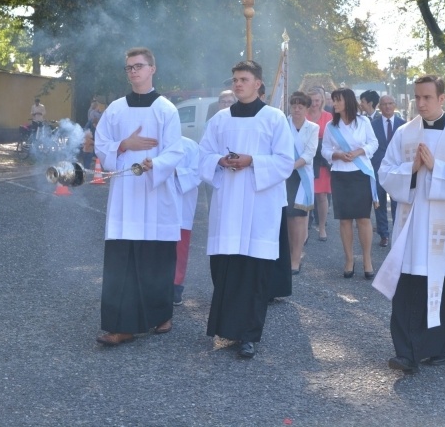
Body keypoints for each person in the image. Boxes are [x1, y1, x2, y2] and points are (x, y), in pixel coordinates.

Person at [374, 75, 445, 374]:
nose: (420, 104)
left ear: (442, 99)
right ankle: (407, 352)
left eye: (427, 97)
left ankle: (440, 346)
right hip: (414, 223)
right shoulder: (405, 133)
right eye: (417, 97)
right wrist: (411, 169)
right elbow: (385, 173)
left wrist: (438, 168)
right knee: (412, 284)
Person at [198, 60, 294, 359]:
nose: (238, 84)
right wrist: (220, 160)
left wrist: (252, 161)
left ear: (258, 84)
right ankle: (226, 329)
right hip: (227, 204)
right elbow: (202, 154)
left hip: (258, 205)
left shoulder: (274, 118)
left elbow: (285, 161)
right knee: (225, 268)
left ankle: (248, 336)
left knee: (254, 273)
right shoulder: (220, 119)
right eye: (235, 79)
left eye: (244, 79)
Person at [93, 47, 185, 346]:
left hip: (154, 193)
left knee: (156, 258)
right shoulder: (115, 108)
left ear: (152, 69)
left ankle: (161, 315)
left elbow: (175, 150)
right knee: (122, 261)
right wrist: (123, 145)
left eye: (139, 66)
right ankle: (122, 326)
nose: (133, 71)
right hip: (125, 196)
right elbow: (101, 143)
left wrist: (155, 164)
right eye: (129, 67)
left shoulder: (166, 109)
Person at [322, 88, 379, 279]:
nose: (334, 104)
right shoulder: (331, 126)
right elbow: (325, 149)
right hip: (340, 175)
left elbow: (373, 143)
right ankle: (349, 260)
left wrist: (359, 152)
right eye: (333, 100)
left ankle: (367, 260)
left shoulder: (363, 122)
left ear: (347, 101)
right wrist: (337, 155)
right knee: (345, 219)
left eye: (337, 100)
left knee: (363, 218)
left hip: (361, 173)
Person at [285, 91, 319, 274]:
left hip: (301, 176)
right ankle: (287, 254)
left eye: (300, 106)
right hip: (283, 177)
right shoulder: (283, 124)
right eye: (294, 106)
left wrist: (291, 166)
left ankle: (296, 259)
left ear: (307, 109)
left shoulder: (312, 128)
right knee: (287, 218)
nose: (296, 110)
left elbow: (309, 153)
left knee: (298, 218)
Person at [371, 95, 404, 248]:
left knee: (398, 203)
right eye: (384, 104)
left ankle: (398, 234)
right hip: (378, 168)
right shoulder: (373, 125)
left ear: (395, 105)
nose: (387, 106)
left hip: (397, 169)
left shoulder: (403, 125)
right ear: (379, 107)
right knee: (379, 203)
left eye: (390, 103)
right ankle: (383, 234)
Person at [173, 136, 201, 306]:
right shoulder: (153, 143)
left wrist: (174, 172)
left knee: (180, 248)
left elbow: (198, 172)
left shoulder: (190, 145)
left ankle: (176, 286)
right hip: (157, 205)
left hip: (182, 203)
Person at [306, 86, 331, 242]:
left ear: (322, 100)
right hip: (305, 160)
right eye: (311, 100)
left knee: (322, 195)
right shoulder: (303, 114)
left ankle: (322, 227)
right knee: (305, 194)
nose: (314, 104)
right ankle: (304, 228)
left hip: (321, 161)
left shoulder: (328, 117)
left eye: (317, 100)